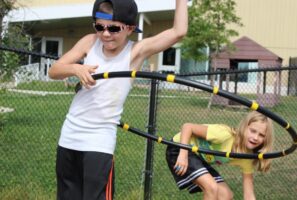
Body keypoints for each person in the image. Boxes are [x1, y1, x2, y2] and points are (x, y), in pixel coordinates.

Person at [48, 0, 188, 199]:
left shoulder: (135, 52)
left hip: (99, 141)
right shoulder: (89, 42)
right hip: (69, 136)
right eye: (99, 26)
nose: (105, 34)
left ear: (129, 28)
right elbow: (54, 71)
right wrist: (75, 68)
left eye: (113, 28)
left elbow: (178, 32)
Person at [166, 111, 274, 200]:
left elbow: (249, 194)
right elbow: (187, 127)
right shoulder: (224, 134)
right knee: (211, 187)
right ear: (244, 128)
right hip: (180, 148)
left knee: (226, 195)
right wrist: (183, 154)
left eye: (261, 135)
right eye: (253, 131)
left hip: (199, 157)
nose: (255, 137)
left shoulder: (247, 158)